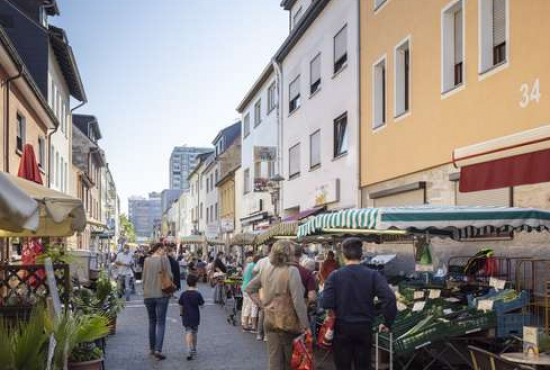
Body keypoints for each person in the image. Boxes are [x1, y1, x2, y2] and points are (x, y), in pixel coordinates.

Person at [322, 237, 397, 370]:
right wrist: (387, 323)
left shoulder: (334, 276)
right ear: (361, 255)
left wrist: (331, 316)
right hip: (364, 327)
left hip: (341, 328)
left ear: (343, 255)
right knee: (363, 365)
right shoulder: (373, 275)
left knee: (342, 365)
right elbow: (389, 298)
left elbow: (326, 302)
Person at [246, 241, 309, 370]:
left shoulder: (267, 270)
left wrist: (262, 305)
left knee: (274, 360)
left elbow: (249, 288)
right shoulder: (292, 271)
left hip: (269, 319)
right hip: (287, 321)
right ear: (288, 253)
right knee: (289, 362)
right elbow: (298, 302)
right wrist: (305, 325)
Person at [142, 243, 173, 360]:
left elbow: (143, 278)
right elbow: (170, 275)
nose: (164, 252)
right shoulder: (164, 259)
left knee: (151, 321)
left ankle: (151, 348)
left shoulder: (146, 260)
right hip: (161, 294)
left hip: (148, 295)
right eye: (163, 249)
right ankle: (158, 350)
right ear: (159, 249)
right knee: (161, 322)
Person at [178, 274, 205, 361]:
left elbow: (180, 304)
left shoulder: (183, 294)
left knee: (188, 331)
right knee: (194, 333)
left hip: (186, 315)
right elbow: (202, 305)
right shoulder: (197, 294)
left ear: (187, 283)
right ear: (196, 283)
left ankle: (188, 349)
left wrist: (181, 312)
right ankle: (194, 348)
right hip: (195, 316)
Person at [241, 253, 259, 332]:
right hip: (252, 288)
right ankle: (253, 326)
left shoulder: (248, 265)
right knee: (254, 306)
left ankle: (245, 324)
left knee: (247, 306)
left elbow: (243, 277)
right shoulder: (255, 266)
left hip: (244, 287)